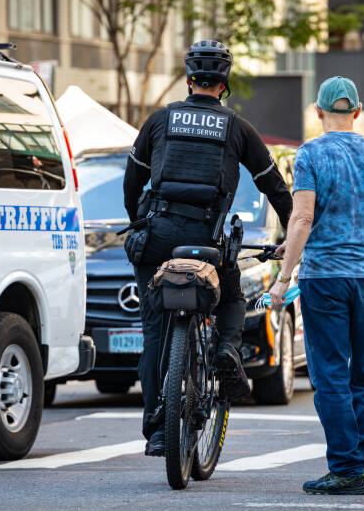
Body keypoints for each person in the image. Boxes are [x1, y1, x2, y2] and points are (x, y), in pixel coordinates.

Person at [123, 40, 293, 457]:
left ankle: (158, 430)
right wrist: (292, 233)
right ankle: (227, 349)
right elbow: (273, 186)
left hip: (157, 237)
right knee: (231, 297)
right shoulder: (237, 127)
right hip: (207, 240)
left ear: (188, 80)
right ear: (224, 83)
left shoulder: (160, 120)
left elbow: (132, 182)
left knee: (154, 332)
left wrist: (139, 223)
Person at [269, 76, 364, 495]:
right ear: (358, 112)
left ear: (318, 112)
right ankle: (358, 463)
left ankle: (347, 468)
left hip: (324, 277)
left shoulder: (310, 153)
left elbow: (302, 218)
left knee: (330, 373)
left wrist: (283, 277)